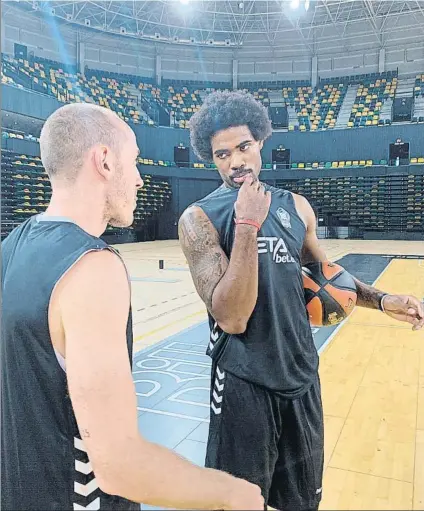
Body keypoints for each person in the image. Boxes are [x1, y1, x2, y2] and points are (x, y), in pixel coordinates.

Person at [1, 103, 264, 511]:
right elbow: (119, 465)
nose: (141, 179)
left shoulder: (10, 247)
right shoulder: (91, 268)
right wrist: (230, 492)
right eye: (135, 161)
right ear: (105, 160)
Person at [178, 91, 424, 511]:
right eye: (222, 154)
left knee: (302, 502)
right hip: (244, 382)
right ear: (211, 159)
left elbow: (327, 279)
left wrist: (382, 300)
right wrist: (248, 222)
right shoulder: (198, 219)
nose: (236, 161)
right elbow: (233, 318)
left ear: (260, 144)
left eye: (243, 147)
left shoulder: (297, 207)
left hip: (301, 376)